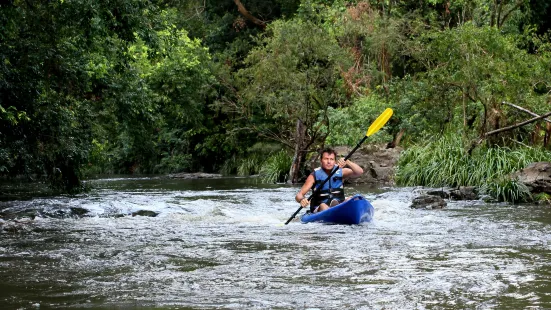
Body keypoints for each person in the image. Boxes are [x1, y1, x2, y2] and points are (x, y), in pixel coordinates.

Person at [295, 148, 364, 213]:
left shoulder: (341, 172)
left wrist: (347, 162)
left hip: (339, 205)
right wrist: (302, 200)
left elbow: (359, 172)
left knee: (352, 199)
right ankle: (331, 215)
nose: (329, 162)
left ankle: (339, 211)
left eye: (331, 159)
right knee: (323, 206)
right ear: (321, 160)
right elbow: (299, 195)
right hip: (320, 207)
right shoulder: (314, 175)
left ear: (335, 161)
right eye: (326, 159)